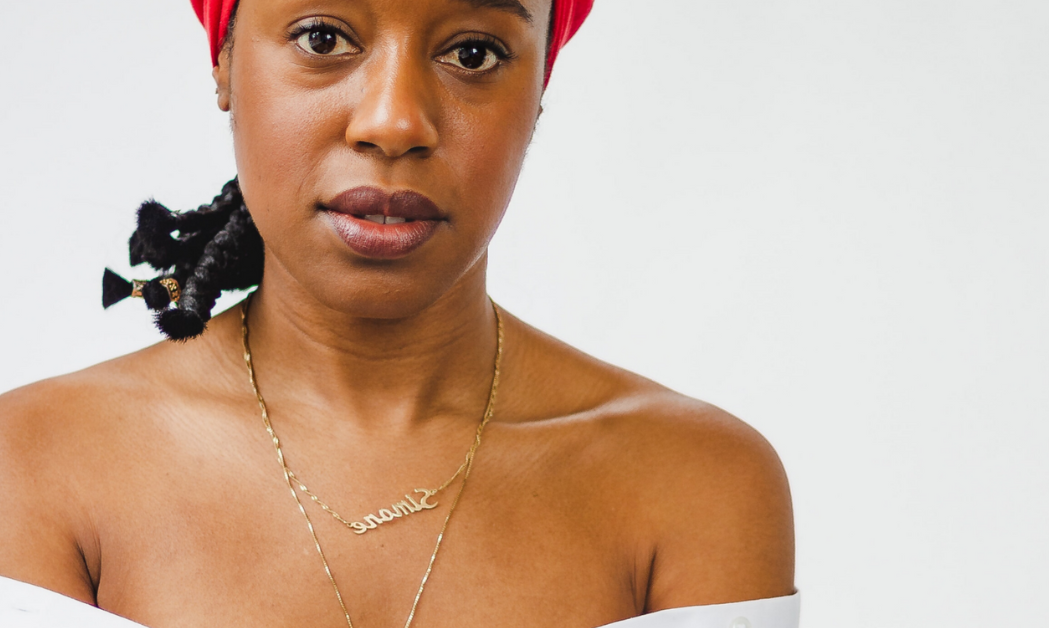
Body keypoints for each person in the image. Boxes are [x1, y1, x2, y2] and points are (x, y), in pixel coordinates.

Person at [0, 0, 797, 626]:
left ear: (542, 85)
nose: (394, 121)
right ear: (225, 60)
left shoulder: (692, 488)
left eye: (473, 53)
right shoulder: (35, 467)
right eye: (322, 37)